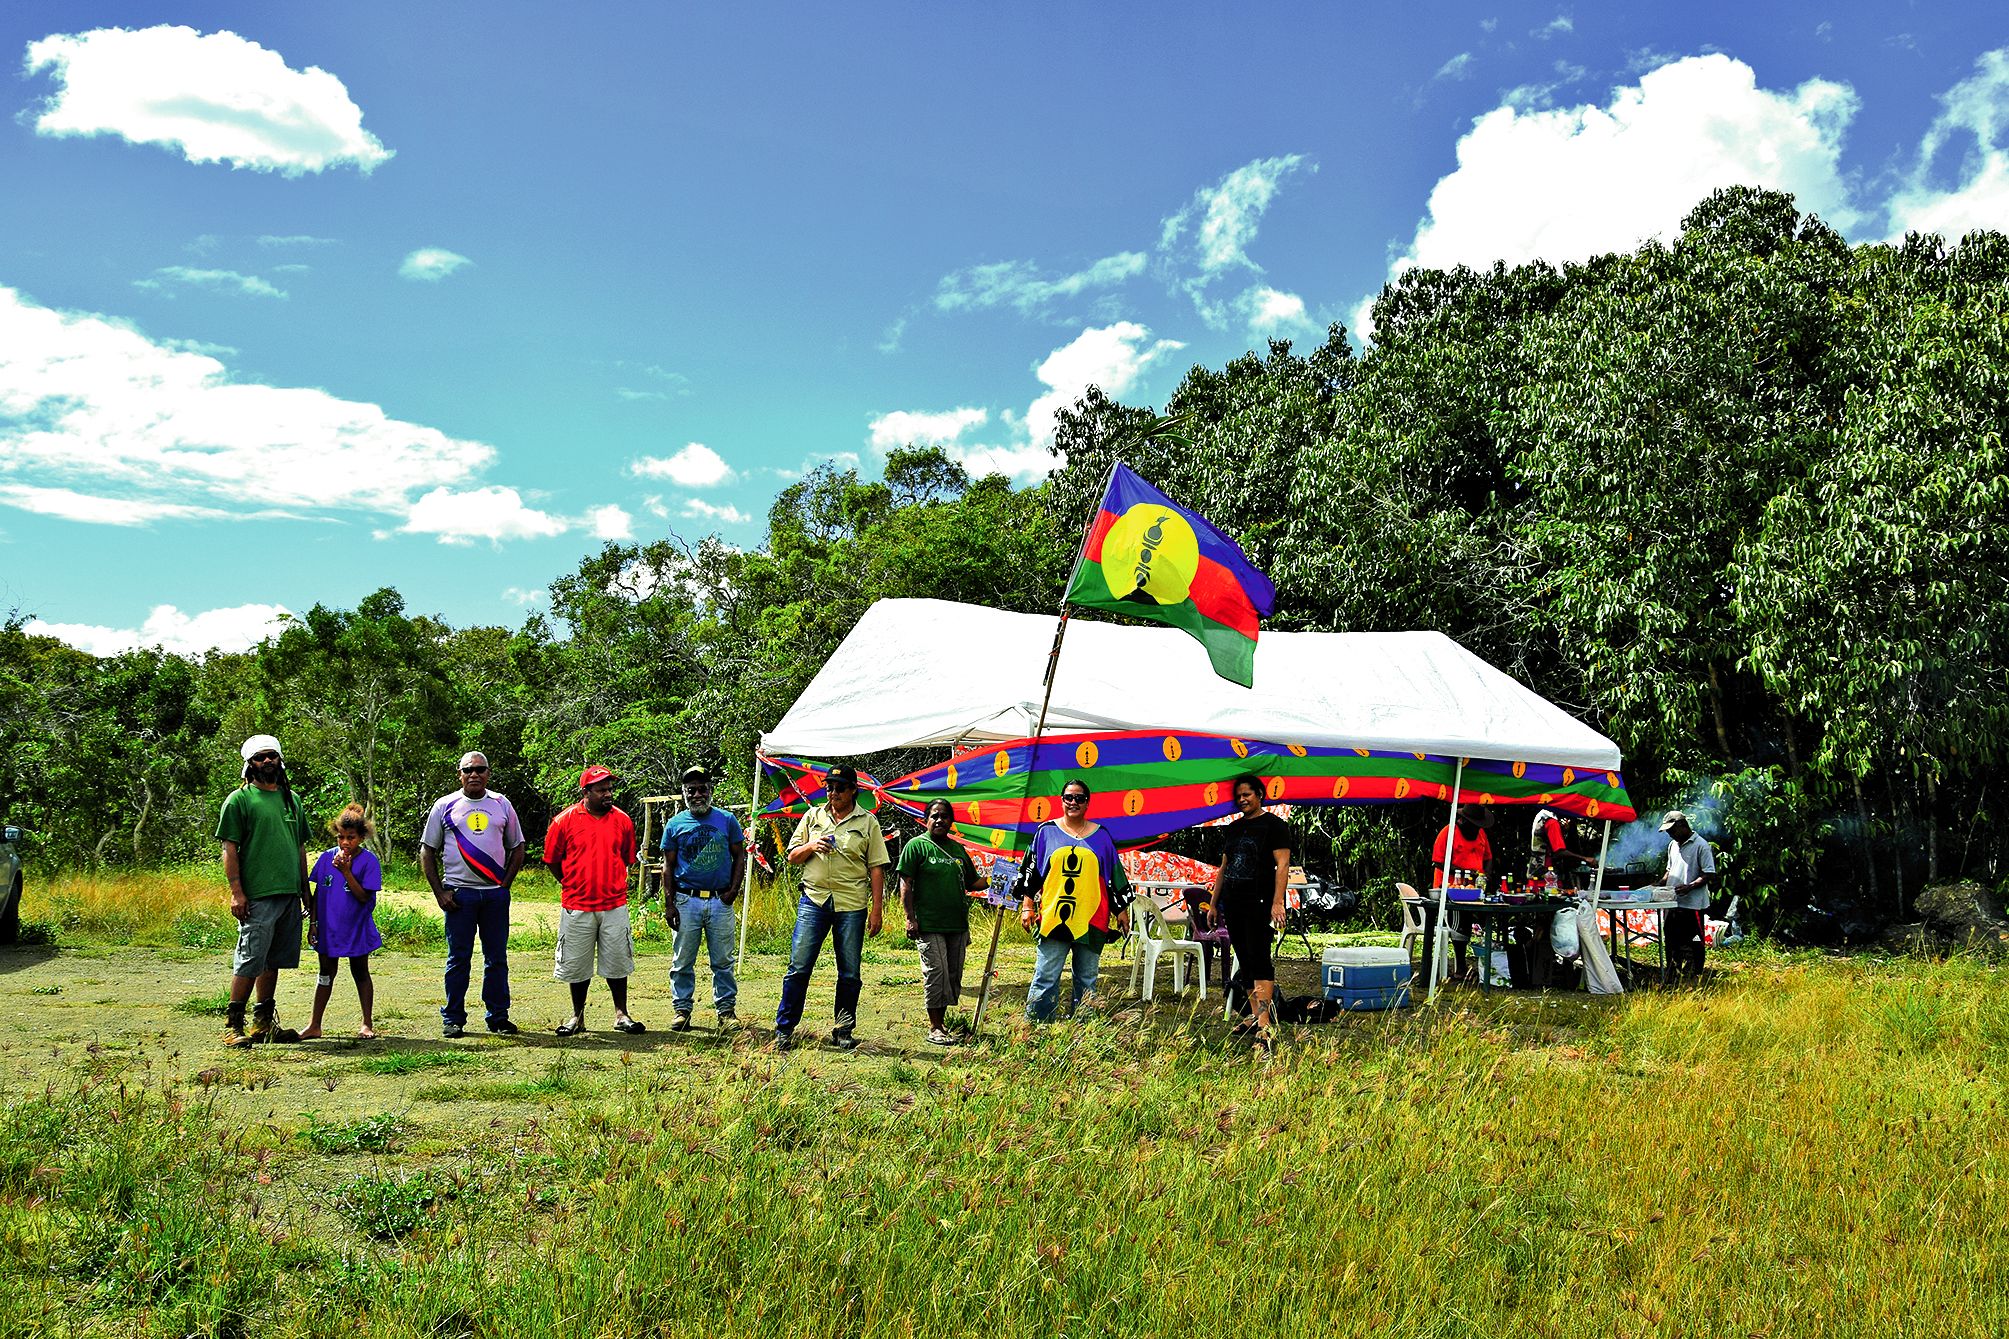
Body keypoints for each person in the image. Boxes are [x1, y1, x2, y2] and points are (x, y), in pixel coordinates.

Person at [776, 764, 888, 1052]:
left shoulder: (867, 822)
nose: (833, 792)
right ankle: (785, 1029)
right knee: (799, 967)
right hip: (814, 900)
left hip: (851, 904)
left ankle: (843, 1030)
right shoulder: (813, 816)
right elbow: (792, 857)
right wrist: (812, 845)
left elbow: (876, 868)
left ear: (853, 790)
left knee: (849, 971)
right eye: (829, 787)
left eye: (840, 787)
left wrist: (877, 910)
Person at [420, 751, 527, 1037]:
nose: (474, 774)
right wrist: (439, 892)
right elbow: (427, 851)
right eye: (468, 770)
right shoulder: (445, 805)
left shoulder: (501, 804)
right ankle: (453, 1018)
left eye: (480, 769)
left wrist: (505, 884)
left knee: (496, 958)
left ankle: (498, 1017)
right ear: (460, 774)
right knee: (458, 959)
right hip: (459, 897)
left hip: (494, 895)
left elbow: (517, 846)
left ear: (488, 773)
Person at [214, 734, 312, 1046]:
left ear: (279, 760)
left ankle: (263, 1023)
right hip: (257, 895)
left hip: (287, 894)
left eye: (271, 756)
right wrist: (237, 892)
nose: (267, 761)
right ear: (249, 764)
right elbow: (230, 849)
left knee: (272, 960)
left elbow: (298, 849)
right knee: (249, 958)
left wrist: (304, 891)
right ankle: (233, 1025)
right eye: (260, 757)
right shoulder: (239, 800)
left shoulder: (291, 799)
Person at [1019, 779, 1131, 1023]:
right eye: (1069, 797)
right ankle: (1038, 1025)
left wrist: (1121, 910)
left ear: (1087, 802)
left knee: (1087, 977)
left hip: (1091, 919)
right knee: (1046, 974)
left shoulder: (1101, 836)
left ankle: (1083, 1029)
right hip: (1053, 918)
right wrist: (1027, 906)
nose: (1073, 802)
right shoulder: (1046, 832)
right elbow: (1031, 872)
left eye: (1080, 798)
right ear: (1061, 800)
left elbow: (1113, 875)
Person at [546, 765, 644, 1036]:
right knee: (577, 964)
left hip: (614, 904)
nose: (608, 794)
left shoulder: (622, 820)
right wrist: (571, 882)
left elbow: (626, 857)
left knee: (617, 961)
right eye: (601, 789)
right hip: (577, 905)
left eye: (610, 789)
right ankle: (577, 1016)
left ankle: (621, 1014)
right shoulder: (563, 821)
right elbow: (552, 860)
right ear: (586, 792)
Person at [1209, 774, 1292, 1049]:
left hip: (1259, 903)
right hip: (1233, 903)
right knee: (1243, 959)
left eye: (1248, 794)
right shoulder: (1232, 829)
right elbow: (1224, 868)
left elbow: (1282, 866)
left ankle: (1265, 1024)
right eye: (1239, 796)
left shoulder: (1275, 826)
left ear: (1259, 795)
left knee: (1259, 959)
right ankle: (1255, 1016)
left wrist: (1277, 902)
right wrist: (1213, 903)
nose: (1242, 799)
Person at [661, 766, 745, 1032]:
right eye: (691, 790)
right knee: (683, 959)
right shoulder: (675, 825)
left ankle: (726, 1012)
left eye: (702, 789)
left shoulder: (727, 820)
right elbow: (667, 866)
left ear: (710, 790)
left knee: (722, 960)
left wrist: (733, 890)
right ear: (684, 794)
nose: (697, 795)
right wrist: (670, 903)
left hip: (720, 901)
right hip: (687, 900)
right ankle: (682, 1010)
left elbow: (739, 856)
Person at [897, 799, 983, 1046]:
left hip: (956, 924)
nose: (939, 820)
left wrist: (1000, 878)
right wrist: (910, 918)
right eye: (934, 816)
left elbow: (972, 882)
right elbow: (906, 884)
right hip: (929, 924)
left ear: (951, 822)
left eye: (944, 816)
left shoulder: (957, 850)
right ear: (926, 819)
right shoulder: (917, 847)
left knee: (953, 975)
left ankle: (943, 1023)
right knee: (937, 972)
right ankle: (934, 1027)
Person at [302, 804, 383, 1040]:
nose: (345, 843)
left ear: (361, 837)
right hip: (328, 928)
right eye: (340, 837)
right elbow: (318, 894)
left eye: (351, 838)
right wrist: (313, 924)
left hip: (355, 927)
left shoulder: (368, 861)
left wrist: (347, 872)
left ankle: (366, 1023)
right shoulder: (327, 858)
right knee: (325, 973)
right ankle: (314, 1024)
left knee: (360, 972)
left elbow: (364, 897)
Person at [1427, 803, 1495, 980]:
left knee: (1473, 921)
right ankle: (1460, 968)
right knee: (1459, 923)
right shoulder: (1448, 833)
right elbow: (1438, 862)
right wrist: (1465, 873)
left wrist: (1486, 874)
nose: (1477, 830)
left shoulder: (1480, 834)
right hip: (1451, 889)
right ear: (1463, 821)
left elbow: (1488, 857)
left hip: (1474, 889)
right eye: (1474, 826)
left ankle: (1474, 965)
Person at [1659, 809, 1717, 980]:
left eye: (1672, 830)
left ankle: (1695, 974)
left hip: (1693, 904)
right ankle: (1672, 974)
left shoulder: (1701, 845)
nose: (1670, 834)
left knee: (1694, 941)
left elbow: (1709, 874)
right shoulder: (1673, 846)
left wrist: (1690, 887)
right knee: (1671, 939)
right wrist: (1657, 885)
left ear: (1682, 825)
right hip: (1672, 902)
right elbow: (1669, 871)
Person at [1529, 805, 1595, 889]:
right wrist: (1585, 858)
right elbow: (1559, 852)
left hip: (1536, 871)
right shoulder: (1552, 823)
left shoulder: (1543, 816)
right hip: (1547, 877)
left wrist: (1563, 831)